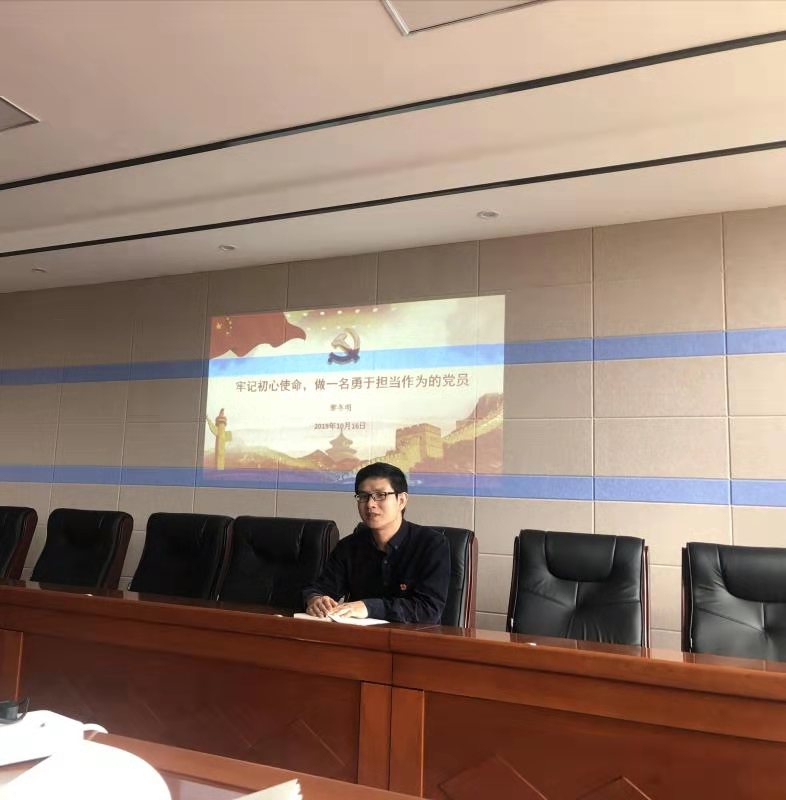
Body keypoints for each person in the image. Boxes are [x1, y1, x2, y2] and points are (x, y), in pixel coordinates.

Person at [303, 462, 450, 623]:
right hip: (359, 636)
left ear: (401, 500)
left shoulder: (432, 545)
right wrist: (316, 600)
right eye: (363, 496)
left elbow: (428, 610)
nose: (370, 504)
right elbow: (320, 588)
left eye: (380, 495)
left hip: (412, 637)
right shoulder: (349, 547)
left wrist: (367, 607)